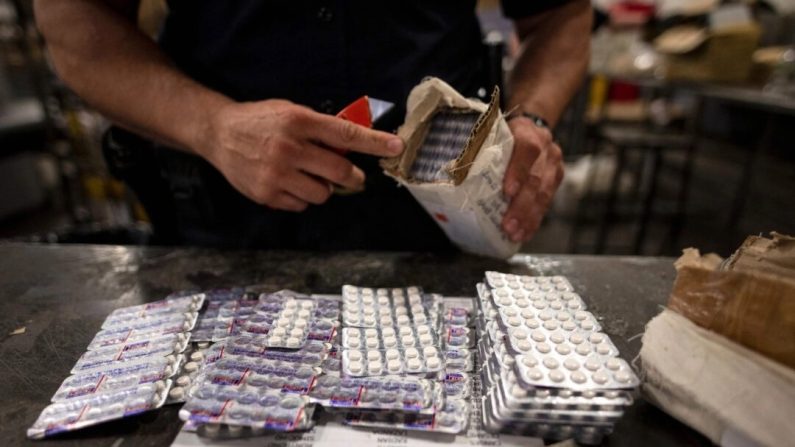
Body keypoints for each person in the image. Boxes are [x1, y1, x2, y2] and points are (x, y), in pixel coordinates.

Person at [33, 0, 592, 251]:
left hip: (442, 213)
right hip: (223, 225)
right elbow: (76, 25)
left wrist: (534, 116)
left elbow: (560, 15)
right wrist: (212, 125)